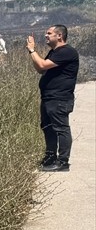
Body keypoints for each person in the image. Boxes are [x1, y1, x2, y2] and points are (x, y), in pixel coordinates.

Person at [26, 25, 80, 172]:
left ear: (60, 36)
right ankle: (50, 156)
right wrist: (32, 53)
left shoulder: (67, 52)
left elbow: (42, 64)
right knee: (47, 127)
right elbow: (40, 68)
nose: (46, 36)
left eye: (49, 33)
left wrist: (32, 50)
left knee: (61, 128)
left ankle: (63, 162)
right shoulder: (54, 52)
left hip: (60, 97)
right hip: (48, 97)